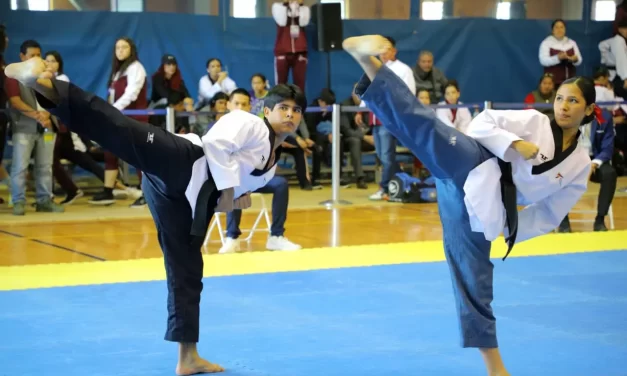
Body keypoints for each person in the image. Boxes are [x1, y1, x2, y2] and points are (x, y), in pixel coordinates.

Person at [4, 56, 306, 375]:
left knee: (187, 272)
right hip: (181, 159)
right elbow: (216, 144)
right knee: (119, 130)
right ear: (267, 110)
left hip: (182, 200)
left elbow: (218, 194)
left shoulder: (270, 164)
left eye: (296, 110)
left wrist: (228, 199)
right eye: (283, 107)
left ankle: (187, 357)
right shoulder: (249, 122)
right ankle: (48, 86)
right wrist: (230, 190)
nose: (290, 114)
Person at [343, 35, 594, 376]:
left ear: (589, 110)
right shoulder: (535, 122)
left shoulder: (580, 164)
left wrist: (510, 230)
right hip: (474, 160)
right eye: (561, 98)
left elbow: (551, 213)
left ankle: (495, 368)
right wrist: (515, 143)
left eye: (574, 101)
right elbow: (482, 123)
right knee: (423, 125)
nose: (564, 105)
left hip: (486, 207)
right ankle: (367, 62)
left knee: (475, 282)